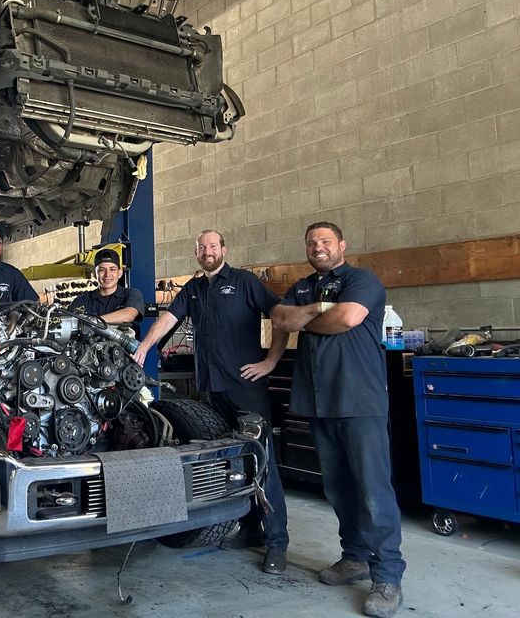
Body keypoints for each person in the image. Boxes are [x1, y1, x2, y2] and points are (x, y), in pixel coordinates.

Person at [131, 229, 291, 575]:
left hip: (244, 388)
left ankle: (277, 541)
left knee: (263, 463)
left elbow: (282, 316)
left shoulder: (245, 282)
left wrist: (270, 362)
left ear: (223, 250)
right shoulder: (194, 288)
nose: (207, 251)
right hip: (211, 391)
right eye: (202, 247)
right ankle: (250, 528)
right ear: (196, 253)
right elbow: (169, 318)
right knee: (233, 463)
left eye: (212, 246)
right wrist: (144, 346)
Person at [270, 222, 404, 618]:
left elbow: (347, 318)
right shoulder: (301, 287)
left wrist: (305, 318)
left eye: (326, 241)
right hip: (318, 401)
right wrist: (314, 311)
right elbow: (280, 318)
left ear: (342, 245)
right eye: (312, 242)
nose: (318, 247)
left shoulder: (362, 279)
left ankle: (388, 575)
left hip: (359, 400)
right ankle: (356, 557)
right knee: (338, 487)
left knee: (373, 490)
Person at [68, 248, 144, 337]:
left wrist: (92, 321)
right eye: (102, 270)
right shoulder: (83, 300)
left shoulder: (131, 294)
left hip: (126, 350)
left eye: (112, 269)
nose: (107, 275)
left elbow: (128, 315)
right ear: (95, 274)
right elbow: (68, 323)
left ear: (120, 273)